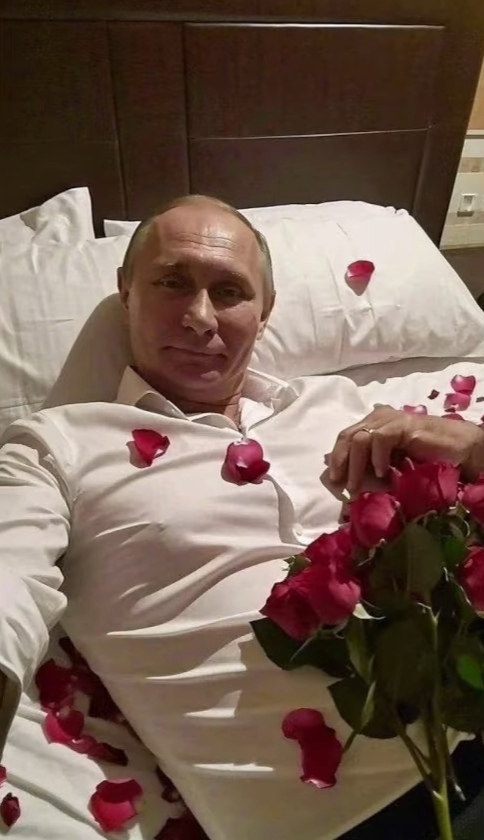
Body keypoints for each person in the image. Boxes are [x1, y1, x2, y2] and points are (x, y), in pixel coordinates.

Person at [0, 194, 483, 840]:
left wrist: (472, 446)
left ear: (266, 311)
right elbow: (9, 578)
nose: (200, 318)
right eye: (172, 282)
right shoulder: (57, 446)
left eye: (229, 292)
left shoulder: (339, 404)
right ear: (125, 291)